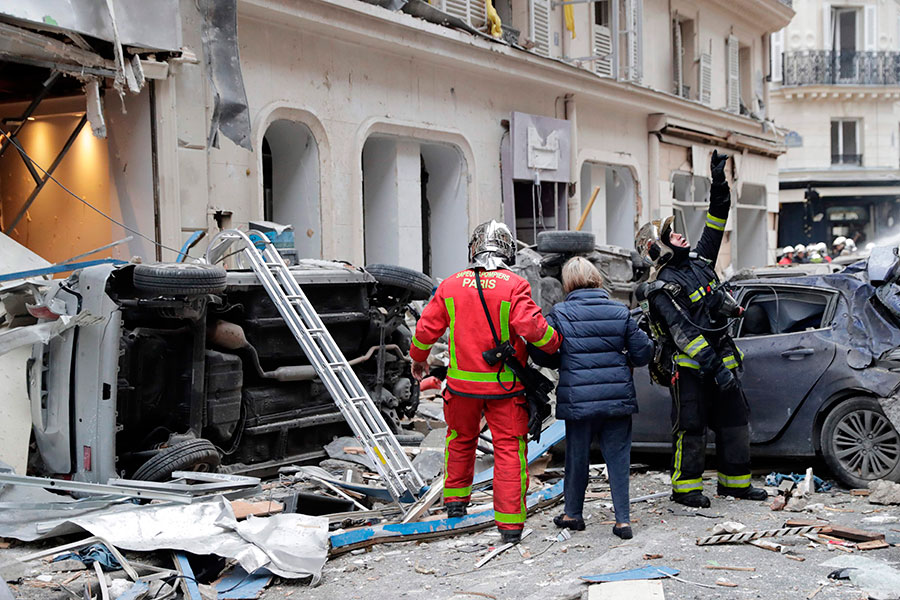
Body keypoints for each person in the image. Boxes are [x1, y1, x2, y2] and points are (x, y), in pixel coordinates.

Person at [409, 220, 562, 544]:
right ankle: (509, 527)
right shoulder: (514, 285)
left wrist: (418, 359)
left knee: (459, 440)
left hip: (461, 387)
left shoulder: (450, 285)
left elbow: (425, 331)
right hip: (504, 389)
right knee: (508, 450)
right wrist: (556, 344)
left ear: (474, 248)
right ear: (507, 249)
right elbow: (534, 330)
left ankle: (455, 504)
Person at [635, 150, 767, 508]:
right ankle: (687, 489)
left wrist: (718, 180)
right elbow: (683, 334)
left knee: (735, 421)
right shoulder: (662, 287)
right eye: (670, 234)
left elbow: (718, 217)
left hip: (721, 356)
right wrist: (715, 368)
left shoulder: (701, 261)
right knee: (690, 427)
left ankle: (736, 484)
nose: (679, 235)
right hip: (692, 367)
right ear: (657, 247)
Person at [536, 257, 653, 539]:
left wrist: (565, 360)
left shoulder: (559, 313)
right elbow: (643, 353)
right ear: (597, 278)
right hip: (616, 399)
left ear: (568, 283)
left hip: (579, 402)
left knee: (576, 459)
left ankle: (572, 515)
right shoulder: (619, 311)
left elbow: (544, 355)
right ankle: (623, 521)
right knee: (618, 459)